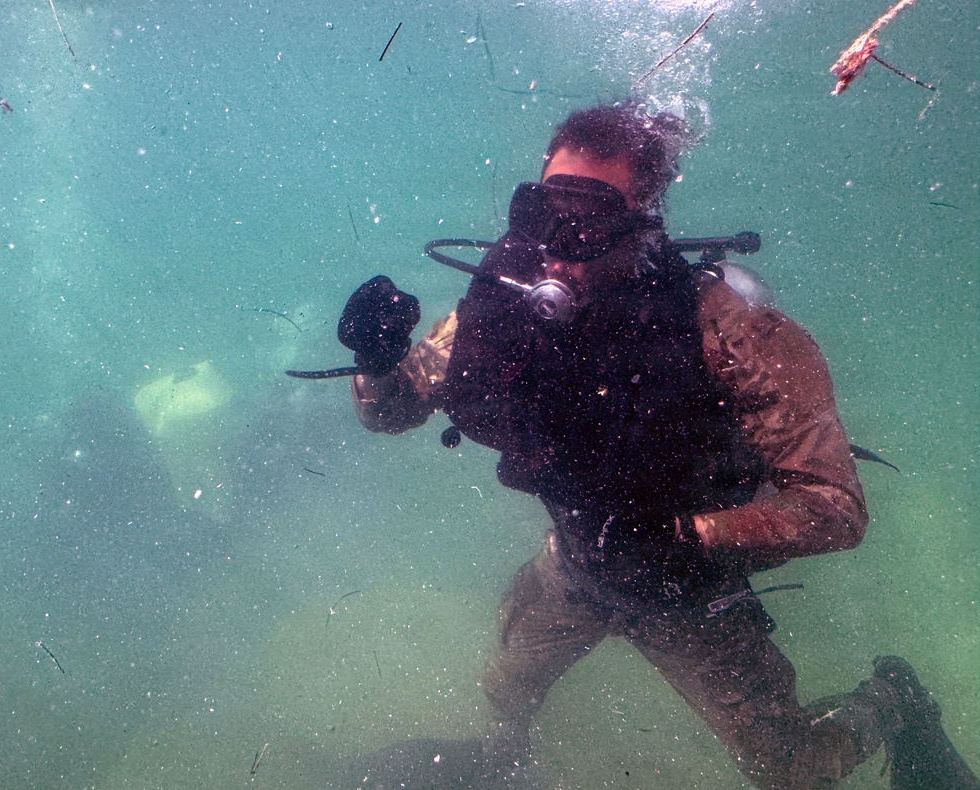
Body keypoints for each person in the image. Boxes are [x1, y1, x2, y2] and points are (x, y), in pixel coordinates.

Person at [340, 103, 978, 789]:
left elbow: (836, 508)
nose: (557, 246)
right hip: (576, 564)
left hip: (690, 593)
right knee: (504, 692)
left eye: (588, 221)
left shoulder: (734, 334)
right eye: (544, 212)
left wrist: (688, 533)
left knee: (790, 769)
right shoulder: (503, 307)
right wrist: (376, 361)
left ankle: (893, 702)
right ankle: (508, 756)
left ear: (643, 225)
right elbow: (392, 412)